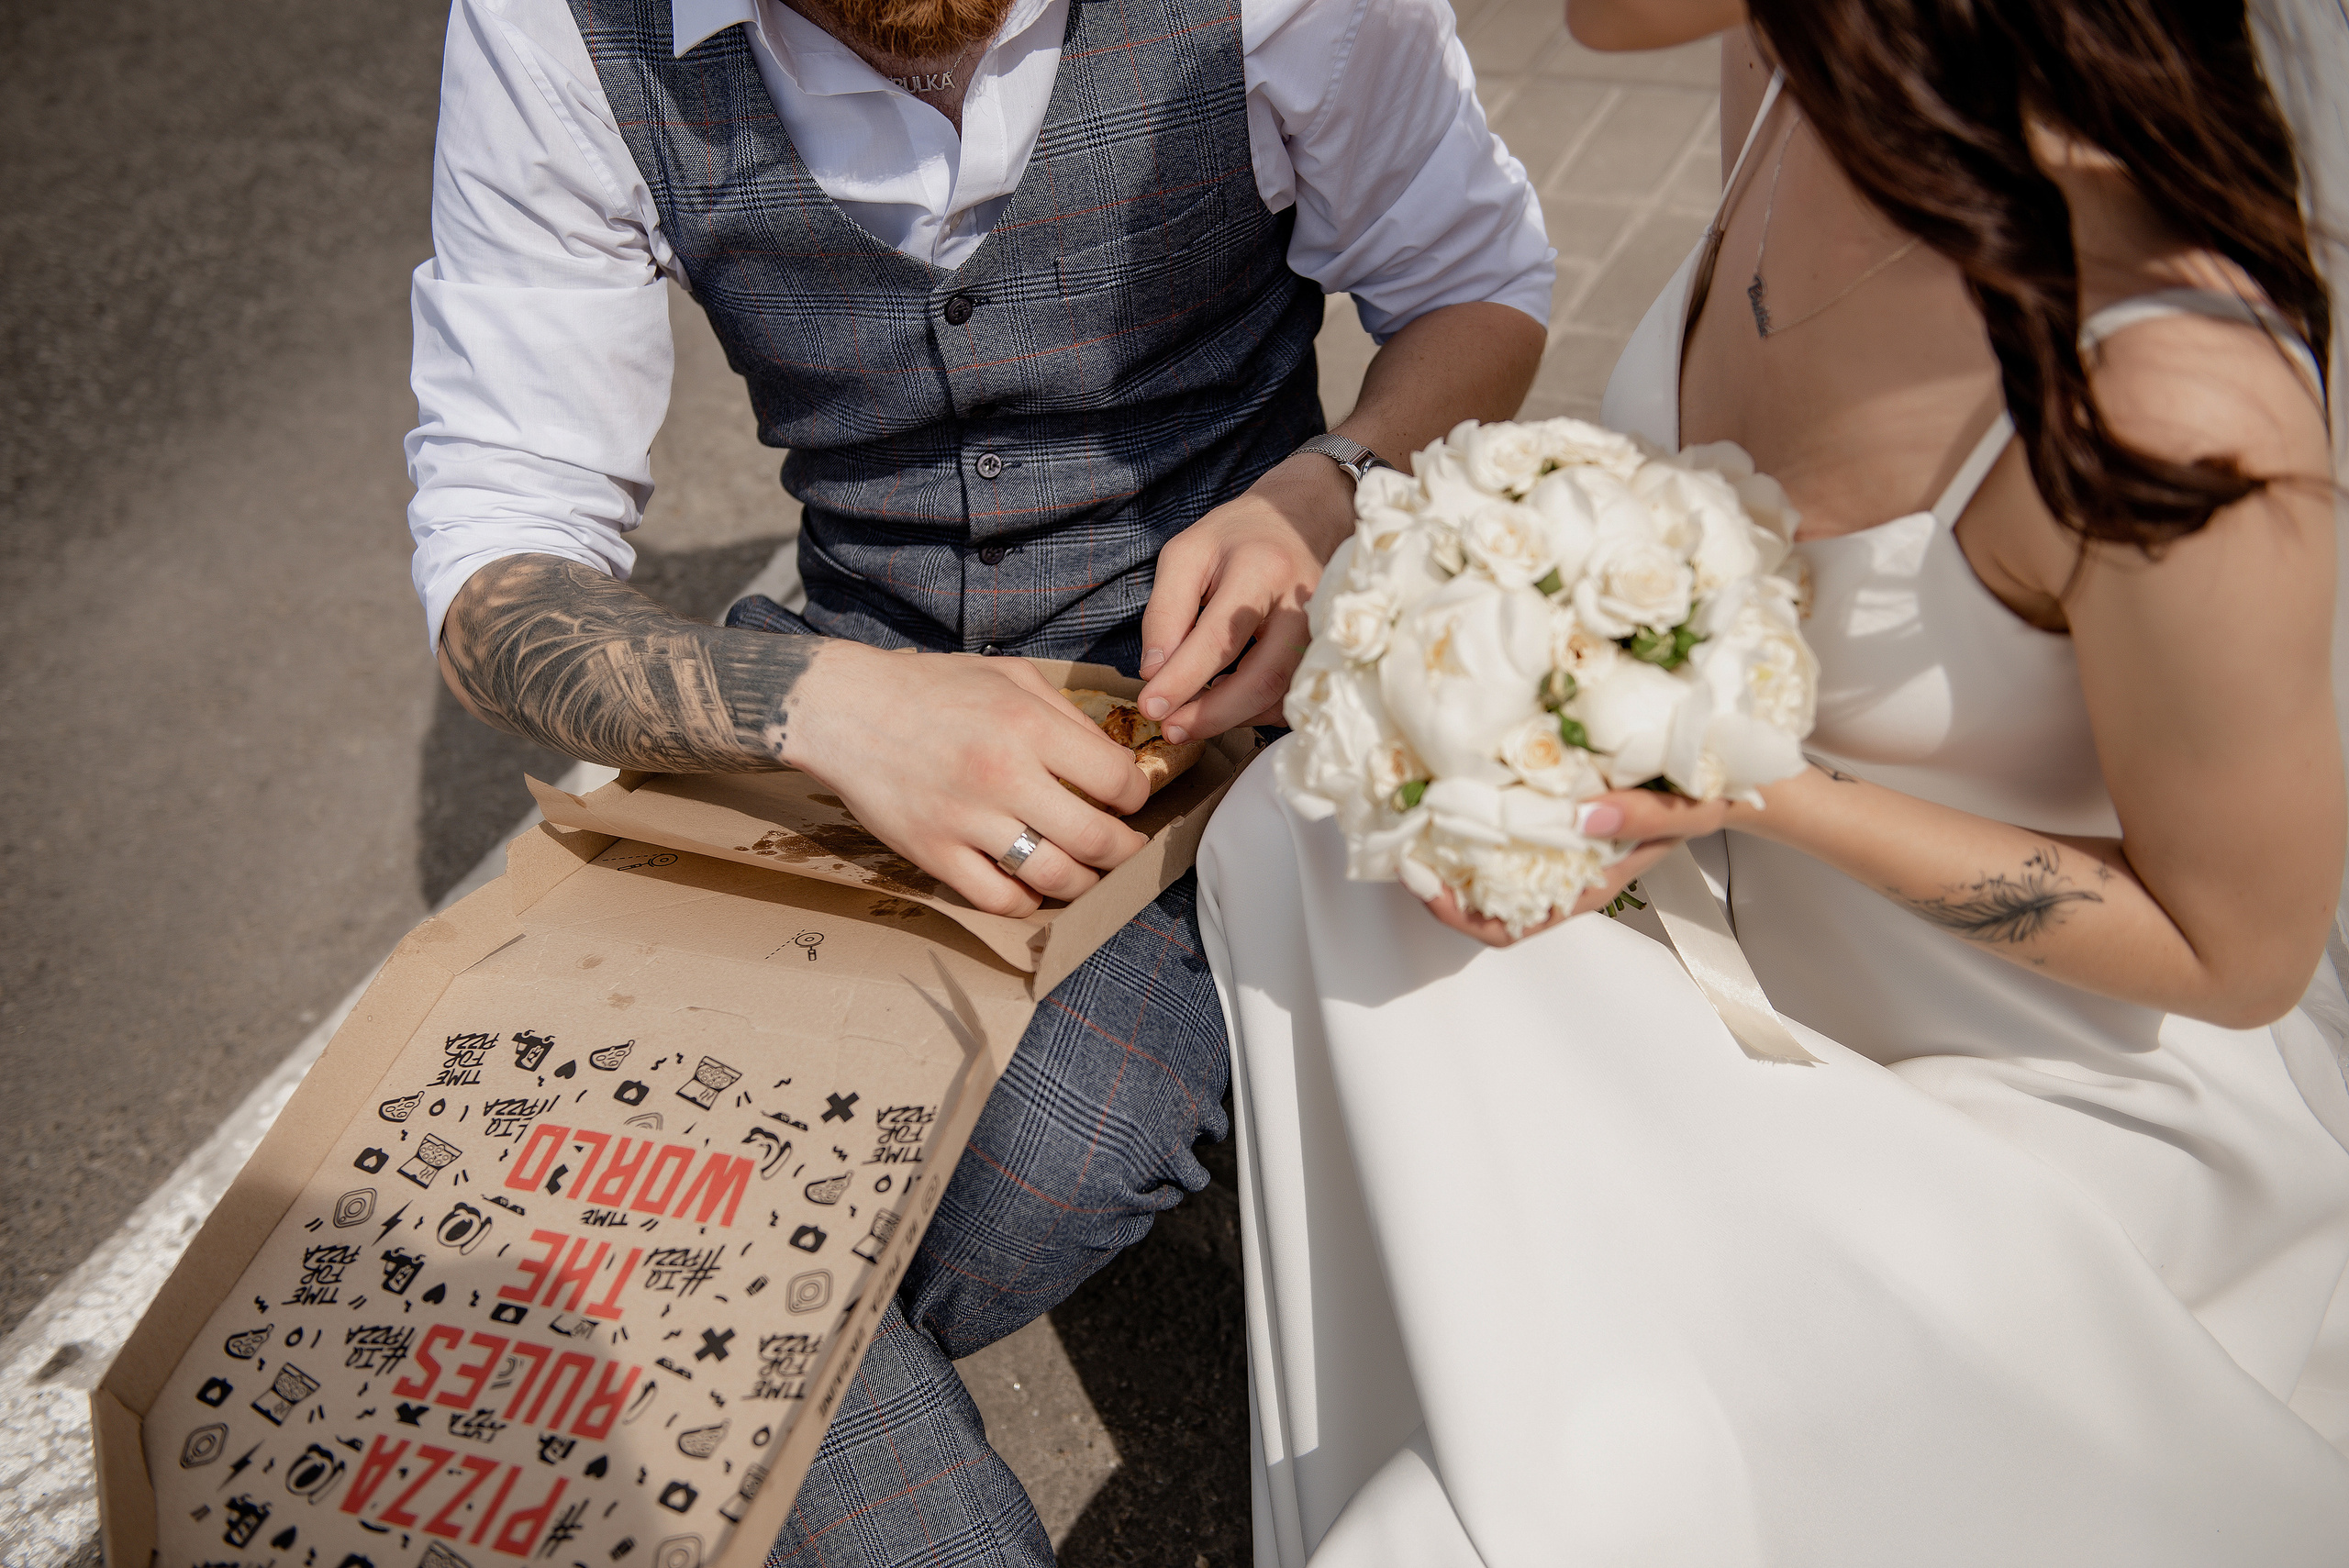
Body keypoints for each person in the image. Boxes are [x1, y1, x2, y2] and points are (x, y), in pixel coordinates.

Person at [1199, 0, 2349, 1561]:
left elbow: (2238, 957)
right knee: (1300, 832)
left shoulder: (2168, 387)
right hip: (1727, 984)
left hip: (2042, 1122)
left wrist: (1758, 790)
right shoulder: (1784, 81)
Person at [403, 0, 1554, 1559]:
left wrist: (1326, 490)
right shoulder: (556, 25)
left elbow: (1476, 285)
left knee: (916, 1196)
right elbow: (495, 562)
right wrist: (831, 707)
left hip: (1202, 720)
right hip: (825, 700)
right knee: (651, 1198)